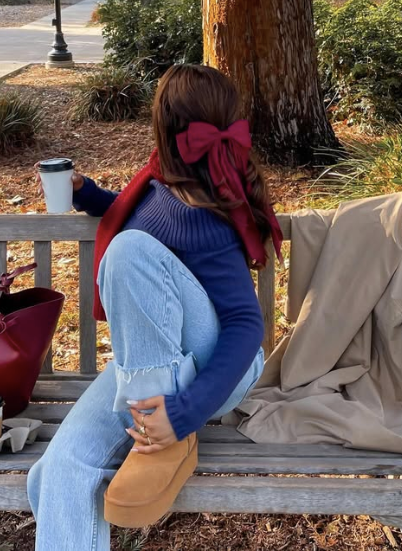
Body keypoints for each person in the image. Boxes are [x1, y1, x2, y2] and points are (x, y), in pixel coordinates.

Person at [27, 64, 283, 551]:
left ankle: (162, 437)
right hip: (152, 362)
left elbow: (247, 325)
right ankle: (151, 417)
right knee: (57, 471)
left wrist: (184, 413)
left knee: (130, 251)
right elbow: (135, 210)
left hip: (217, 372)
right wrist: (88, 196)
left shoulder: (201, 210)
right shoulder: (161, 179)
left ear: (163, 125)